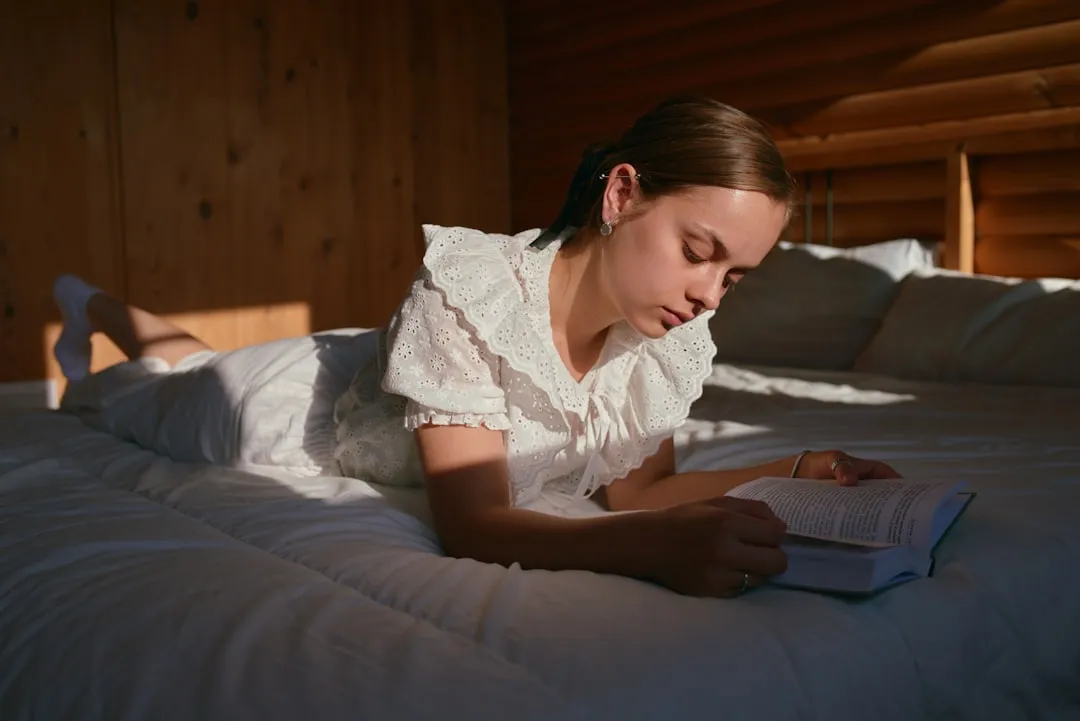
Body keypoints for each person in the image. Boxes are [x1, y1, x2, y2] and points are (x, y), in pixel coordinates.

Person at [51, 96, 899, 599]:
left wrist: (802, 469)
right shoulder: (470, 285)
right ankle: (91, 305)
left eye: (736, 277)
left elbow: (646, 489)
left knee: (185, 356)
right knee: (170, 383)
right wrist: (656, 552)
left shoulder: (655, 339)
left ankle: (97, 306)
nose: (709, 296)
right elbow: (474, 522)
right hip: (281, 406)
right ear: (624, 192)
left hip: (378, 370)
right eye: (699, 252)